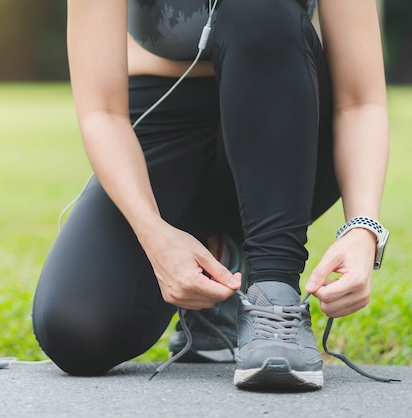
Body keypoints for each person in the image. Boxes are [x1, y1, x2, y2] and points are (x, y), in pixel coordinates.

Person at [32, 0, 389, 391]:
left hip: (288, 122)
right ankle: (219, 261)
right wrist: (153, 233)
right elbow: (102, 112)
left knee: (257, 8)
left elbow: (361, 102)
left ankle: (273, 298)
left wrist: (362, 228)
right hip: (159, 121)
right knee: (78, 328)